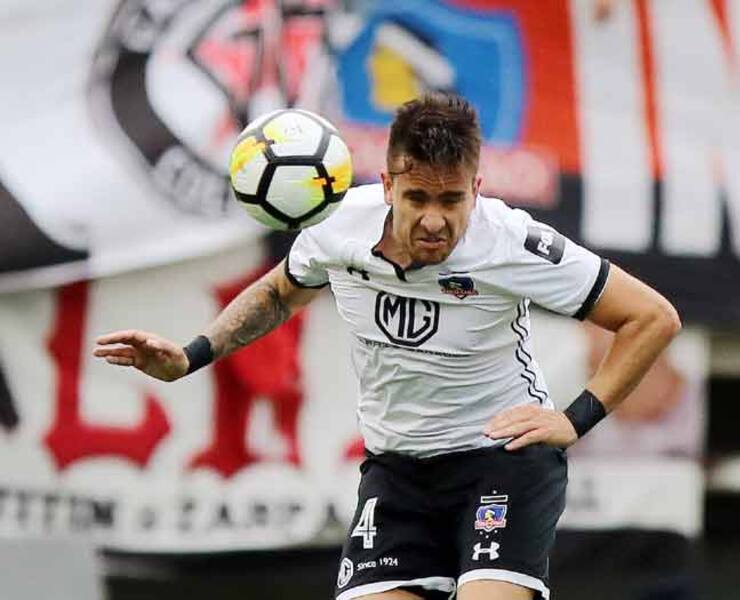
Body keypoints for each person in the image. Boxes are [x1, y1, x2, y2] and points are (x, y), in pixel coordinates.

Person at [94, 93, 681, 600]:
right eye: (417, 198)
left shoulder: (511, 242)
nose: (434, 221)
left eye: (452, 201)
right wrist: (192, 355)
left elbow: (651, 317)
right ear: (387, 184)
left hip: (501, 461)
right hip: (399, 472)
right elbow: (279, 293)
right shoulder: (336, 225)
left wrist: (575, 419)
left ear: (477, 189)